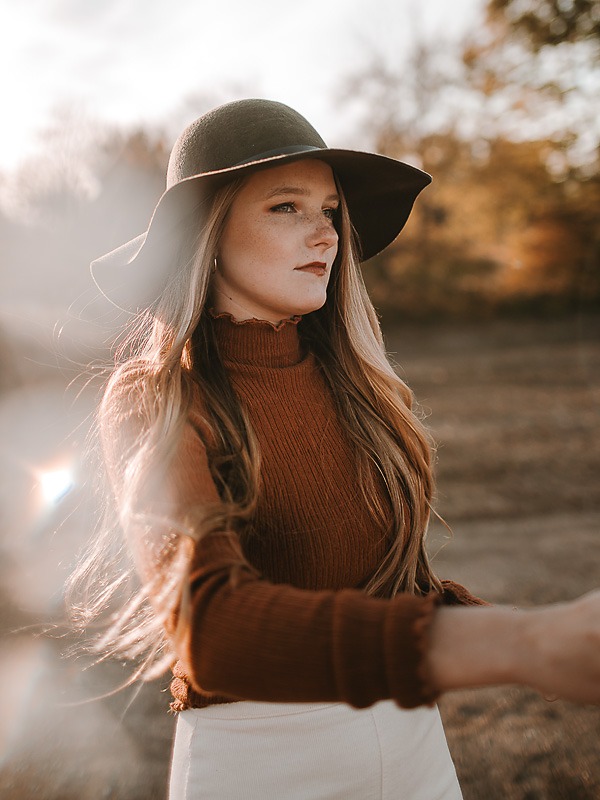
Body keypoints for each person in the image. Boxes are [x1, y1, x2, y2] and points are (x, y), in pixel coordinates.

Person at [72, 99, 600, 799]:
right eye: (286, 207)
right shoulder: (160, 398)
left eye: (330, 210)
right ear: (207, 232)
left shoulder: (357, 386)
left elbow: (390, 596)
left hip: (417, 752)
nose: (323, 233)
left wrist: (548, 636)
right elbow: (216, 630)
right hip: (266, 765)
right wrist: (522, 645)